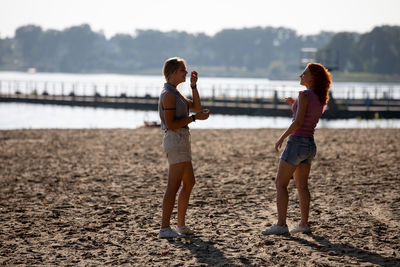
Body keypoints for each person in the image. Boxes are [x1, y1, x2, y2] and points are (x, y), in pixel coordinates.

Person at [262, 63, 331, 235]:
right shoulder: (319, 97)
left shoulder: (305, 94)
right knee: (302, 186)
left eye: (304, 73)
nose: (301, 75)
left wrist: (281, 137)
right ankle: (303, 224)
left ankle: (281, 225)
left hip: (297, 143)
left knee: (280, 184)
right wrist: (294, 104)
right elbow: (307, 115)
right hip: (309, 144)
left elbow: (298, 122)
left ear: (312, 78)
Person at [158, 57, 210, 238]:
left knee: (189, 182)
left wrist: (194, 86)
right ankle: (165, 228)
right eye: (183, 70)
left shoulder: (176, 92)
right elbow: (171, 124)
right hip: (175, 138)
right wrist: (195, 119)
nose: (186, 73)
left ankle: (180, 225)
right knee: (173, 185)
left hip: (182, 138)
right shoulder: (168, 94)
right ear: (172, 73)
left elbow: (196, 106)